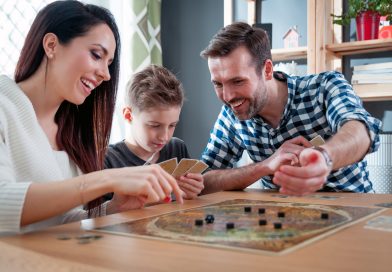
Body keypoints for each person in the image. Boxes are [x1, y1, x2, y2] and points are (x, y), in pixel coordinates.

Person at [0, 1, 182, 235]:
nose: (106, 75)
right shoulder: (5, 106)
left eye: (109, 64)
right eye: (96, 55)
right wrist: (106, 179)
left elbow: (59, 220)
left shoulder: (70, 131)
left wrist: (111, 209)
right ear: (51, 45)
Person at [199, 22, 382, 196]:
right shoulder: (232, 113)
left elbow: (360, 130)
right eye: (218, 84)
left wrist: (324, 158)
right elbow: (202, 181)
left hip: (353, 208)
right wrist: (265, 166)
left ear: (267, 70)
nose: (228, 96)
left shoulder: (325, 87)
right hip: (284, 219)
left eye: (237, 81)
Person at [105, 64, 204, 200]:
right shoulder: (109, 161)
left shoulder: (177, 148)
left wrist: (193, 191)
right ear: (128, 115)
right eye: (155, 125)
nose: (164, 137)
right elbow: (100, 217)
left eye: (172, 125)